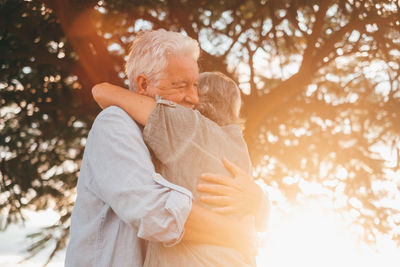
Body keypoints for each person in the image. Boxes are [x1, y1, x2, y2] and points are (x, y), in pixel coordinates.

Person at [65, 29, 267, 267]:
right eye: (181, 85)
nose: (193, 97)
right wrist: (237, 235)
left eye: (195, 85)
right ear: (143, 84)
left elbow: (237, 200)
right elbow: (154, 213)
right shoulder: (114, 123)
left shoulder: (184, 133)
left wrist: (258, 200)